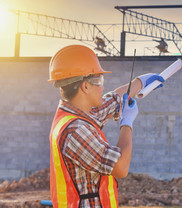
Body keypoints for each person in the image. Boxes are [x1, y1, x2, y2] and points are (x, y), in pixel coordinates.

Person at [48, 45, 165, 208]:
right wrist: (127, 122)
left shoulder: (78, 114)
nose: (103, 87)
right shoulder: (75, 130)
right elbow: (120, 167)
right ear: (85, 86)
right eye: (99, 80)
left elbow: (114, 99)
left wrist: (140, 82)